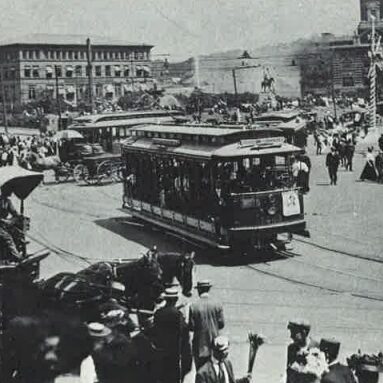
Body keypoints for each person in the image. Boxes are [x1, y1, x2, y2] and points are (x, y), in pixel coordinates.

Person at [154, 287, 192, 383]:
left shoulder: (158, 313)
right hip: (174, 352)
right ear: (176, 299)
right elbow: (184, 332)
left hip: (160, 351)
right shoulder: (178, 315)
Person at [189, 280, 225, 370]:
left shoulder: (193, 306)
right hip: (215, 344)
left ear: (199, 290)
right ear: (208, 289)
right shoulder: (217, 304)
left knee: (201, 372)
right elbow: (221, 324)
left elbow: (191, 327)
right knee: (215, 371)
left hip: (199, 345)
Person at [0, 186, 23, 262]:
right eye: (9, 191)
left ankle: (11, 256)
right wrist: (3, 220)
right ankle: (18, 257)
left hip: (3, 226)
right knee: (8, 238)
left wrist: (19, 216)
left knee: (17, 234)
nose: (11, 193)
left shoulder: (8, 201)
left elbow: (14, 213)